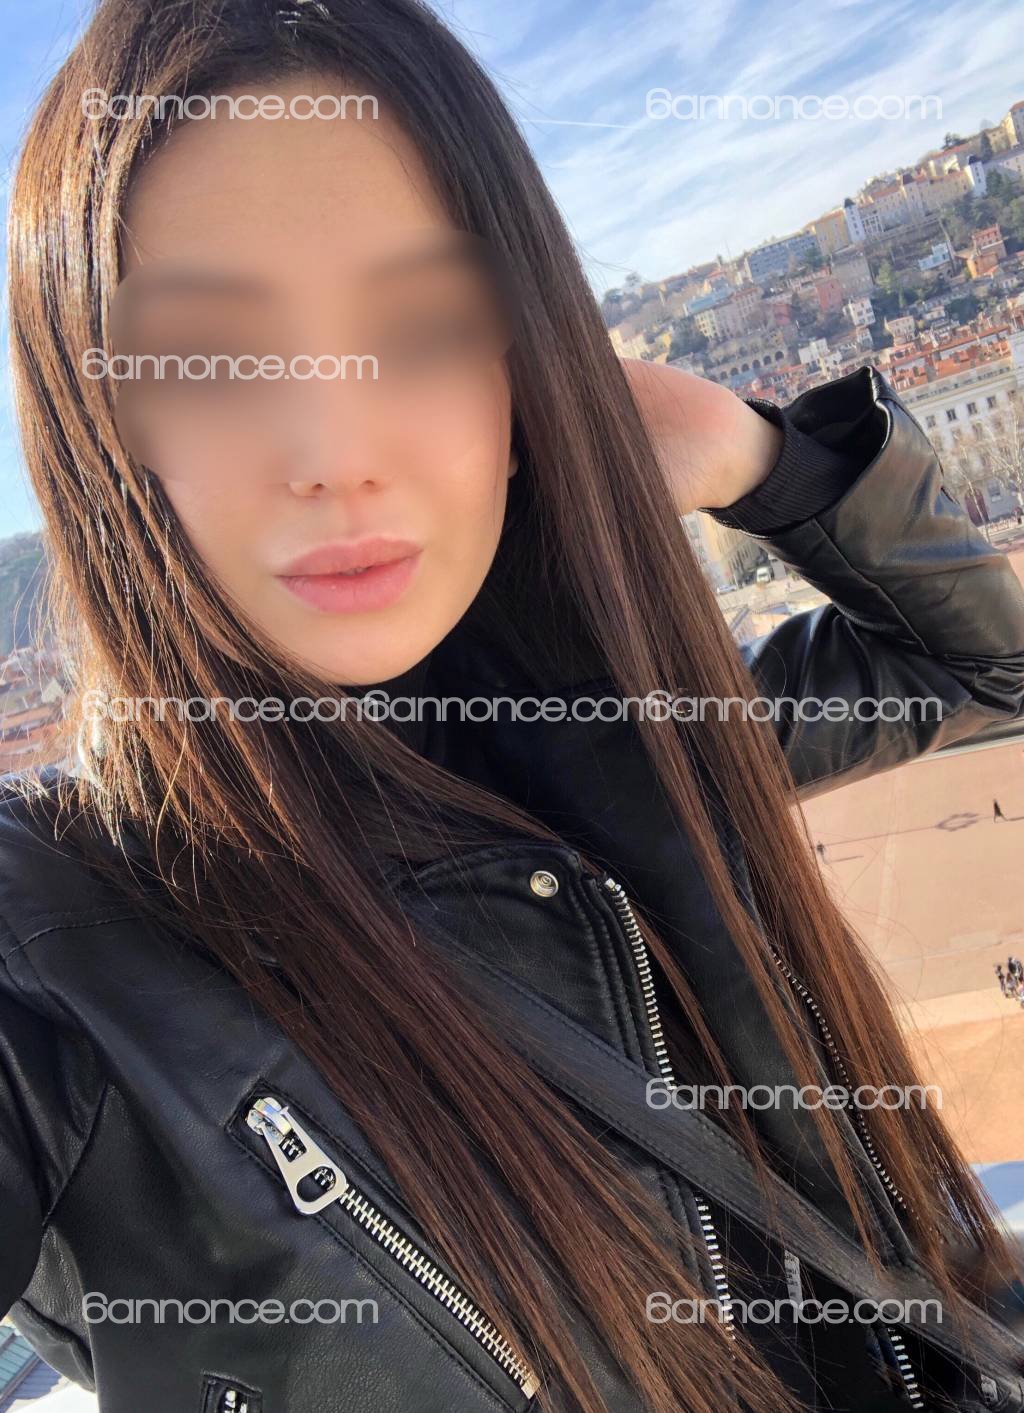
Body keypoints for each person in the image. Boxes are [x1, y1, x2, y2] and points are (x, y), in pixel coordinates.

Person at [3, 3, 1024, 1412]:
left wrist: (756, 454)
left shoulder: (610, 727)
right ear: (96, 421)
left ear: (523, 374)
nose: (334, 452)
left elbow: (981, 671)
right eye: (208, 358)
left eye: (425, 328)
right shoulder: (58, 955)